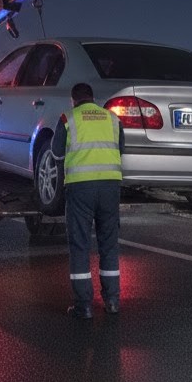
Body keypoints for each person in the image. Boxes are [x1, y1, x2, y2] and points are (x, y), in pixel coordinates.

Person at [52, 82, 125, 319]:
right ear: (93, 99)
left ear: (73, 100)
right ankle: (112, 301)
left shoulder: (68, 118)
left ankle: (84, 306)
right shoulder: (112, 119)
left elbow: (56, 153)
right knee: (109, 244)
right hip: (110, 187)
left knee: (80, 244)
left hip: (80, 188)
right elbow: (120, 149)